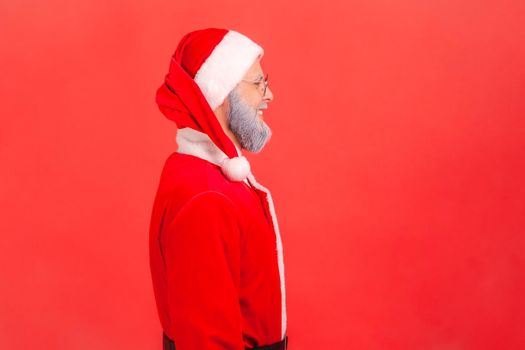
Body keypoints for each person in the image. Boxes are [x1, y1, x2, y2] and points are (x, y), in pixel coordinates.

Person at [149, 28, 289, 350]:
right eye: (258, 83)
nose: (269, 96)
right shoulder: (207, 198)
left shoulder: (201, 176)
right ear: (222, 93)